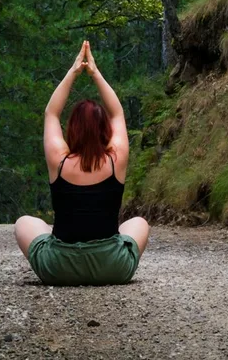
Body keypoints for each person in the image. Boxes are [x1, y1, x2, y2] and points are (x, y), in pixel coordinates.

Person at [14, 40, 150, 285]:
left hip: (59, 269)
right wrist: (95, 73)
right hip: (113, 268)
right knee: (139, 223)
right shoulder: (115, 160)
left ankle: (61, 247)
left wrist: (74, 72)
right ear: (104, 130)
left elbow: (51, 113)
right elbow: (118, 113)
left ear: (73, 130)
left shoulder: (60, 160)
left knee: (25, 223)